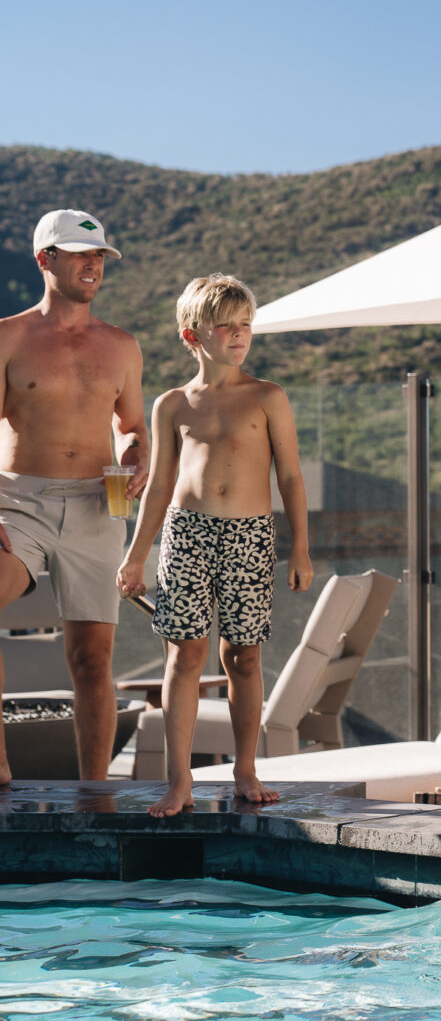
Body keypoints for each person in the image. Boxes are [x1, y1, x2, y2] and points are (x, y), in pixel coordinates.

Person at [116, 274, 313, 817]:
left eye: (245, 324)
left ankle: (245, 769)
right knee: (184, 655)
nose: (238, 334)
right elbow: (159, 486)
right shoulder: (173, 404)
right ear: (191, 335)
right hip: (187, 532)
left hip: (251, 534)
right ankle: (179, 782)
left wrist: (300, 548)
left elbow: (292, 477)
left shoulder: (269, 396)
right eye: (224, 325)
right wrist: (137, 555)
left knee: (243, 656)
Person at [0, 210, 150, 785]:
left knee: (92, 662)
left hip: (97, 504)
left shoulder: (121, 346)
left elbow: (132, 425)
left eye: (99, 257)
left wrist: (138, 451)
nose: (93, 265)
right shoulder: (8, 337)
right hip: (19, 503)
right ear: (45, 260)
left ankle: (97, 794)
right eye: (79, 254)